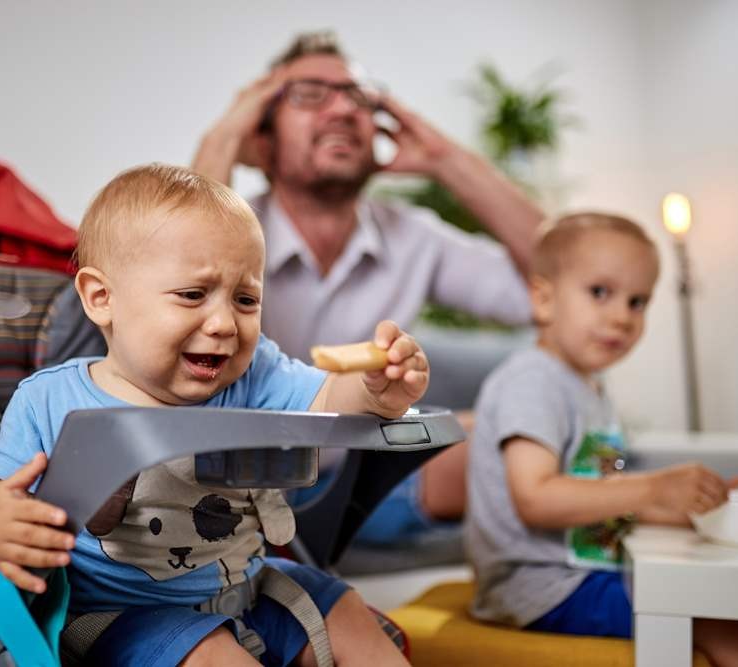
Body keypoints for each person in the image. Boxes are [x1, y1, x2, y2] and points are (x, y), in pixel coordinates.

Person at [0, 164, 427, 666]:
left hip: (247, 586)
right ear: (101, 298)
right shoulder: (48, 402)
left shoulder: (256, 375)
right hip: (121, 613)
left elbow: (333, 398)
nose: (225, 323)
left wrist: (380, 390)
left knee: (347, 610)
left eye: (246, 299)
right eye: (192, 295)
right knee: (212, 655)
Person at [192, 30, 544, 536]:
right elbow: (187, 285)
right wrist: (224, 137)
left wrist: (448, 162)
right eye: (310, 94)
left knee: (520, 432)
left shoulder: (414, 236)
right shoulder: (226, 231)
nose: (341, 109)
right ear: (261, 142)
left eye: (358, 97)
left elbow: (561, 287)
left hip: (360, 477)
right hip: (234, 491)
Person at [465, 213, 738, 666]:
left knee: (723, 599)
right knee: (736, 630)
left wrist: (691, 512)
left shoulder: (591, 390)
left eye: (638, 302)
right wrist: (653, 487)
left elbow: (604, 503)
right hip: (540, 586)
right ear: (544, 298)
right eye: (600, 293)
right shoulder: (532, 382)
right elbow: (535, 499)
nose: (622, 317)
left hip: (578, 572)